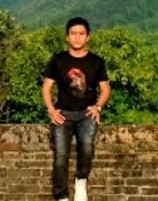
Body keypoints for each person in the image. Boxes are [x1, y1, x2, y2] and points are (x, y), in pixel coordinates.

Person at [41, 16, 110, 201]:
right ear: (67, 37)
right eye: (73, 33)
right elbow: (46, 88)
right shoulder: (58, 60)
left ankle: (81, 180)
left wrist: (98, 107)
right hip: (63, 114)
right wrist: (51, 110)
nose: (77, 37)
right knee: (60, 156)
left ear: (88, 37)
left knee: (87, 147)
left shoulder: (96, 61)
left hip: (87, 114)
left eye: (81, 34)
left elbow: (105, 89)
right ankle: (61, 195)